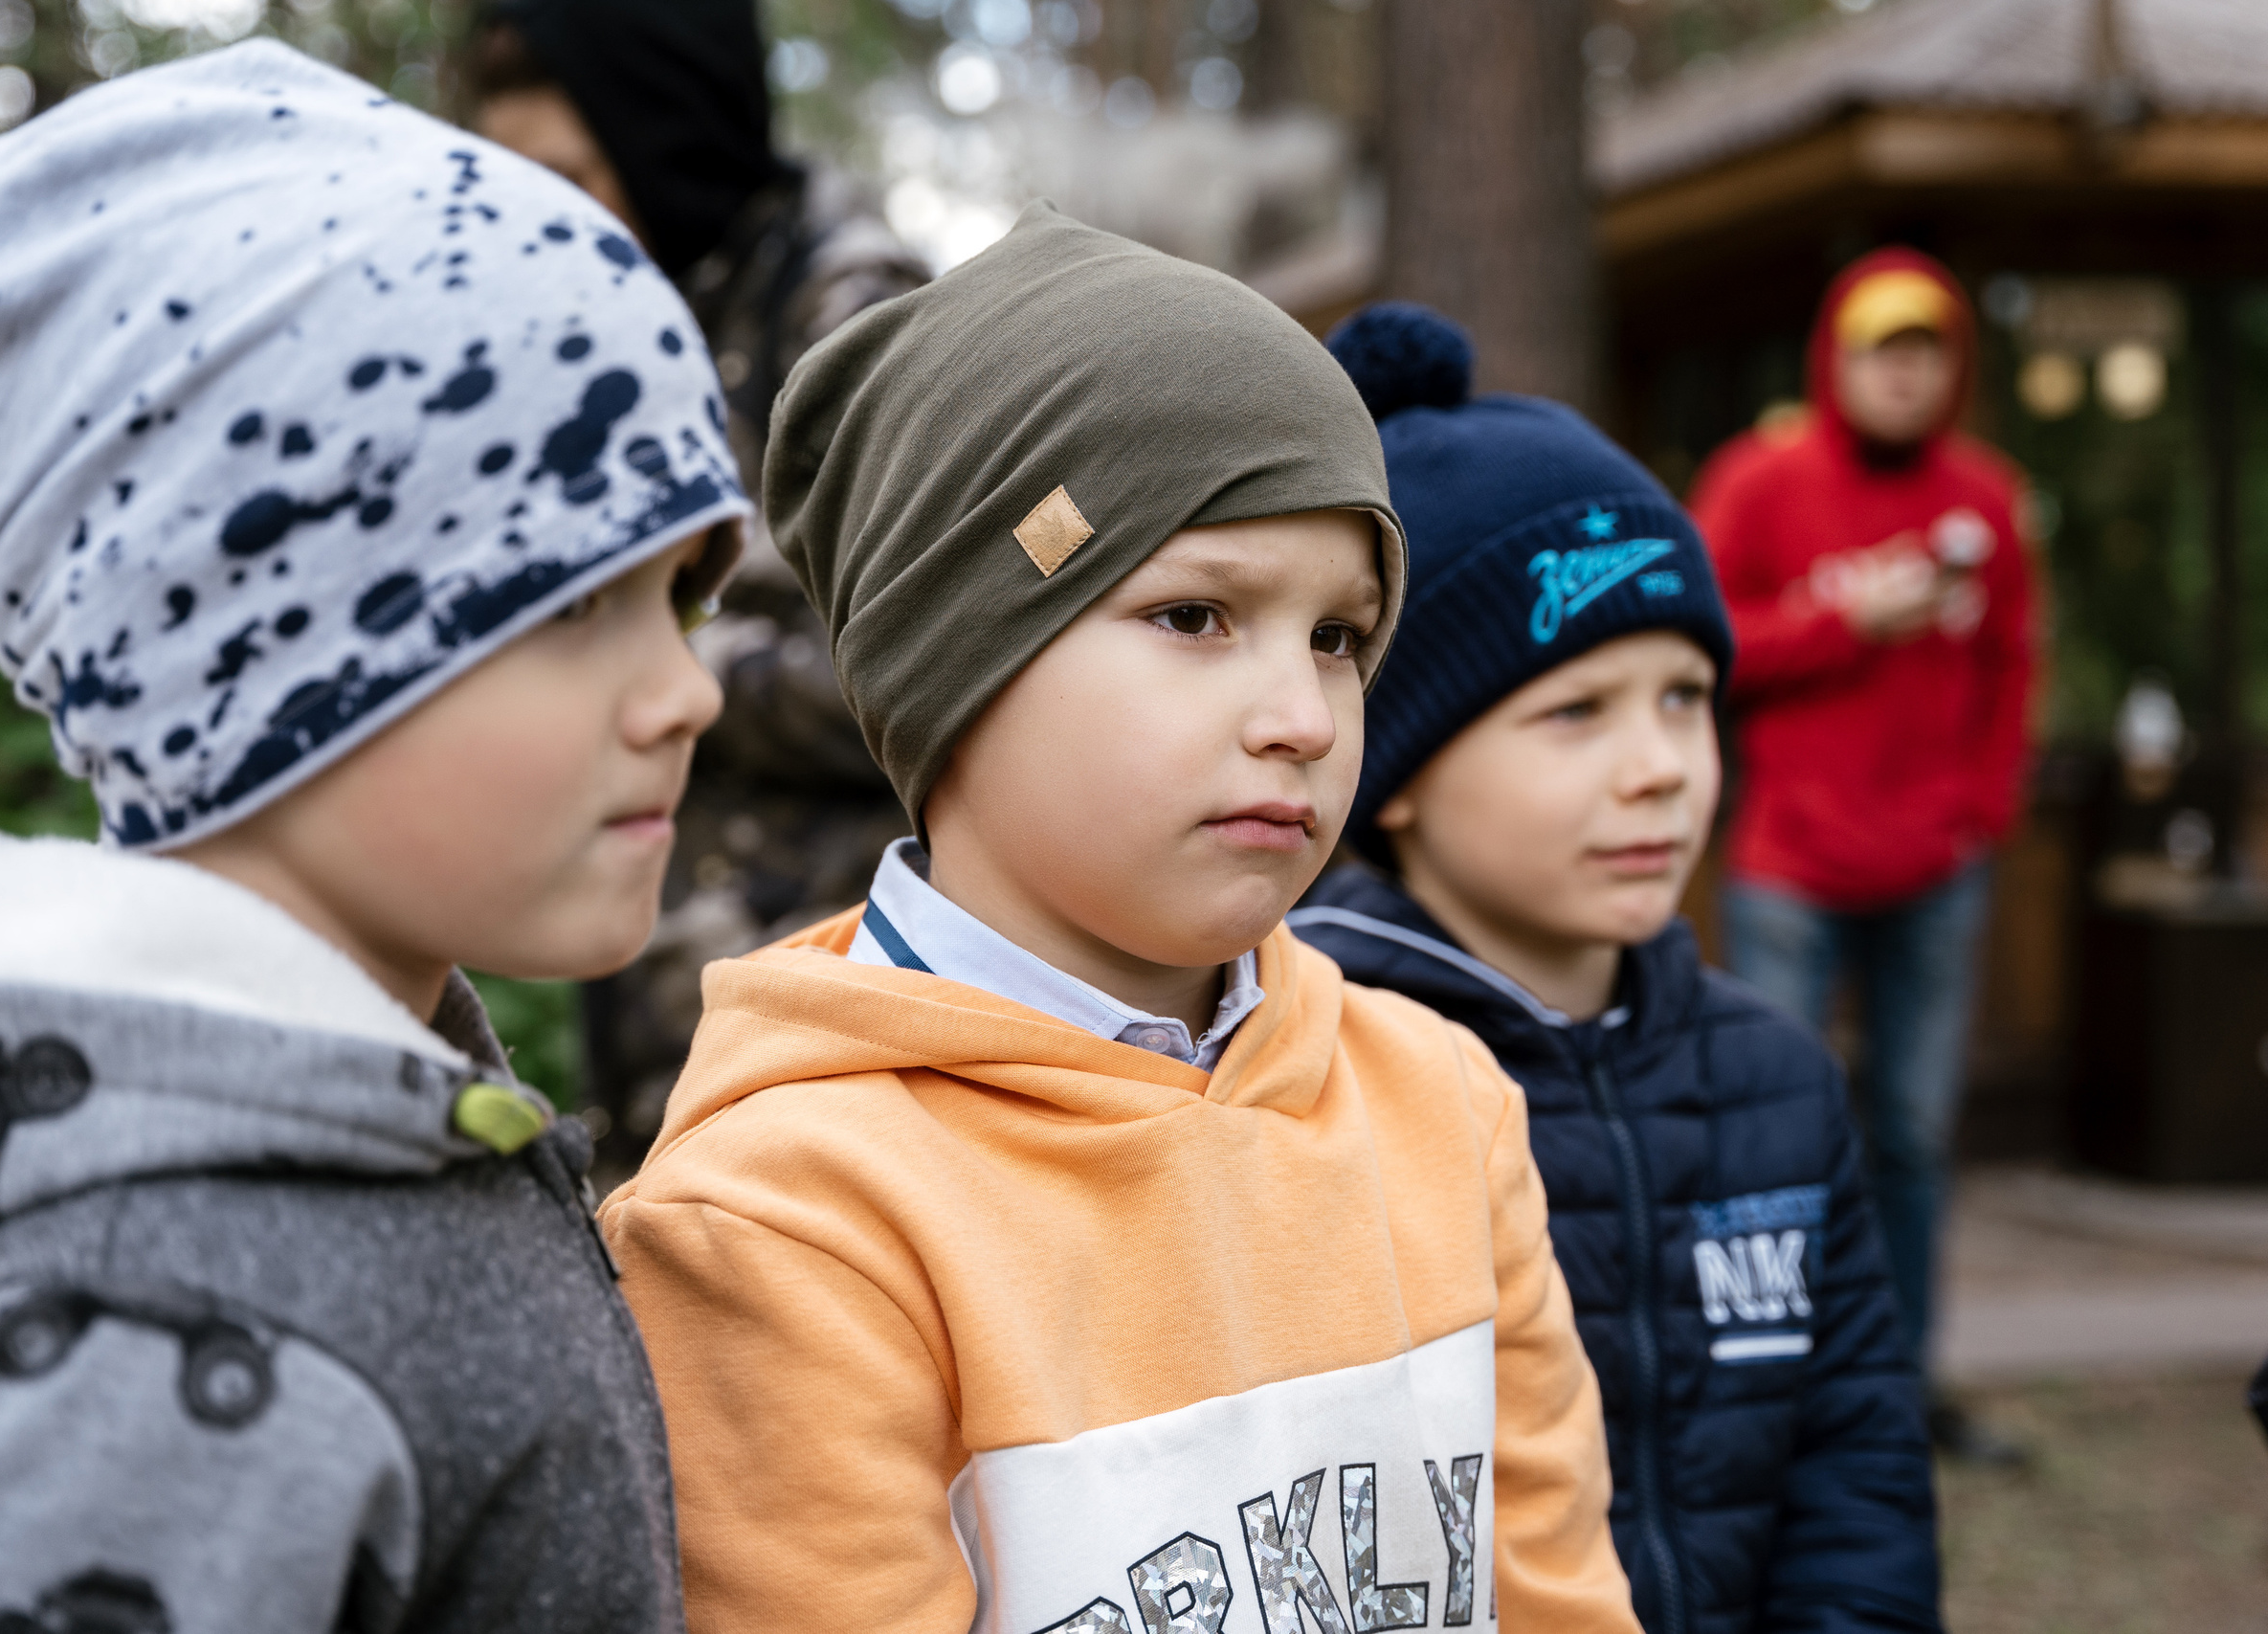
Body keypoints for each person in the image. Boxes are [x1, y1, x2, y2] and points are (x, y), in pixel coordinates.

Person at [600, 205, 1638, 1634]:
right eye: (1197, 614)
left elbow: (1561, 1594)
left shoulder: (1443, 1101)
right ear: (956, 660)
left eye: (1338, 635)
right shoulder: (786, 1219)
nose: (1299, 719)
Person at [0, 41, 752, 1629]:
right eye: (578, 599)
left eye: (683, 595)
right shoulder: (143, 1334)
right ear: (249, 655)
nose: (689, 692)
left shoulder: (360, 1124)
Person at [1294, 304, 1939, 1634]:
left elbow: (1859, 1483)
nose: (1658, 765)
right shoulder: (1301, 1074)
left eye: (1685, 696)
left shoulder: (1779, 1083)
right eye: (1575, 711)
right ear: (1396, 773)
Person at [467, 0, 926, 1165]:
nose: (543, 220)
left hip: (844, 1027)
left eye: (571, 172)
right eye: (510, 180)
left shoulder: (850, 319)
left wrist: (650, 657)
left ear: (666, 133)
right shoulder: (603, 304)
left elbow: (941, 664)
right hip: (658, 995)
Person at [1691, 248, 2036, 1460]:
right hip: (1789, 864)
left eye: (1926, 348)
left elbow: (2013, 667)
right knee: (1776, 1128)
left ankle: (1897, 1388)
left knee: (1911, 1136)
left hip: (1935, 871)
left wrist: (1979, 816)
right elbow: (1701, 634)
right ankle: (1774, 1391)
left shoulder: (1984, 502)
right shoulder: (1760, 481)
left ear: (1954, 366)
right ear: (1834, 360)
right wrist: (1849, 622)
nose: (1904, 373)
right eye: (1882, 349)